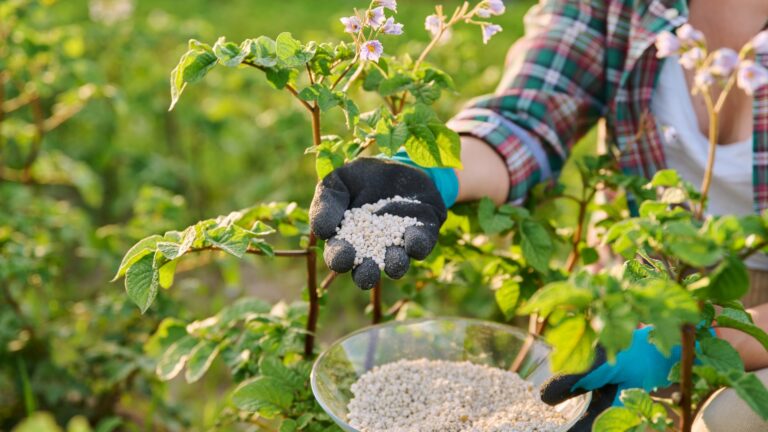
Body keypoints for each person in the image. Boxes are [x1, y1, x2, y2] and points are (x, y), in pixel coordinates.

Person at [310, 1, 768, 430]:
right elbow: (532, 114)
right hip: (643, 297)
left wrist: (696, 346)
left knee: (729, 418)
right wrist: (432, 173)